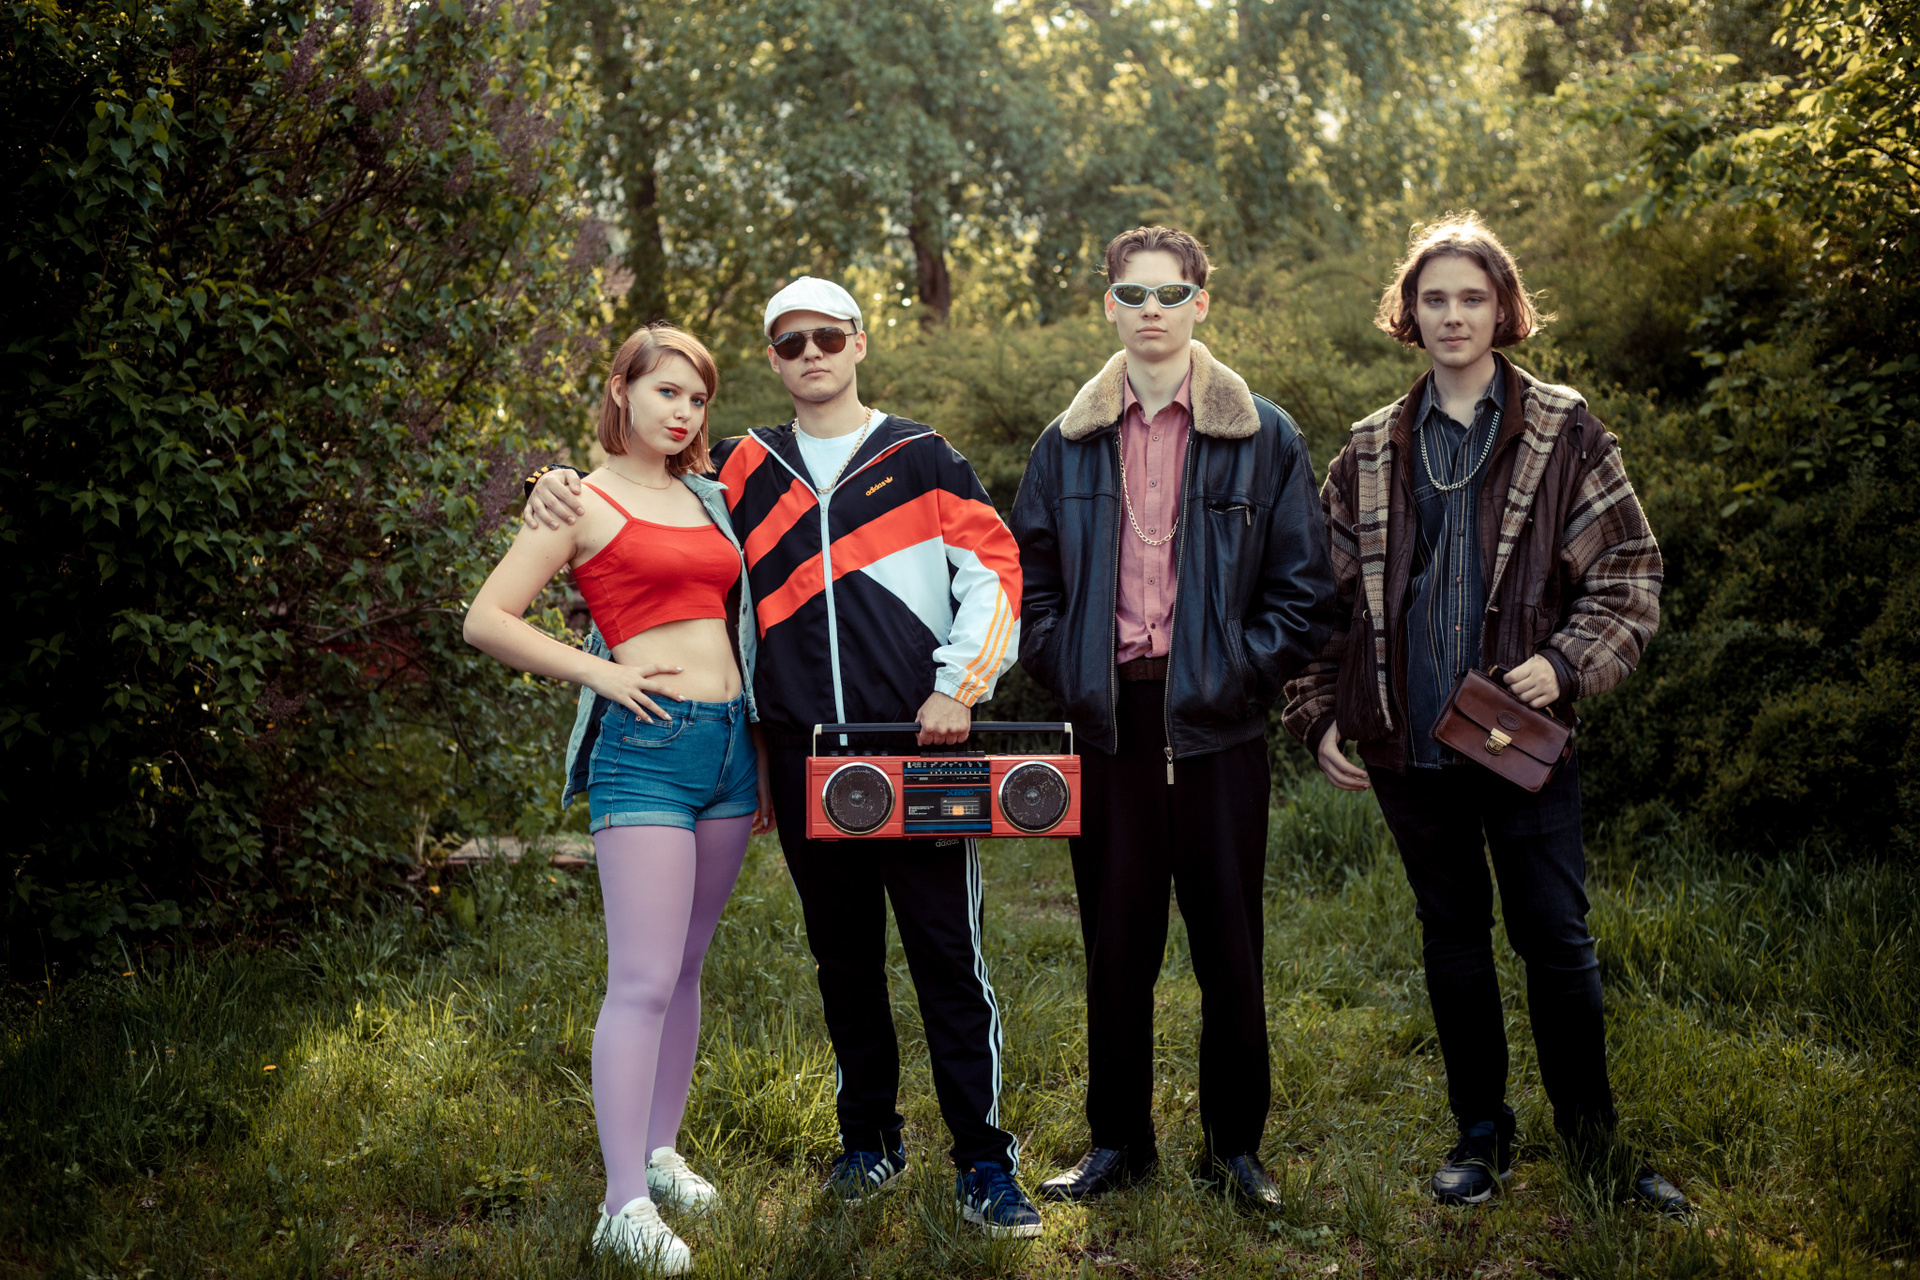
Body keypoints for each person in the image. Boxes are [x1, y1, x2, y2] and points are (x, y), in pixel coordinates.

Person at [523, 278, 1043, 1238]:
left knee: (947, 957)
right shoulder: (741, 469)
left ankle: (984, 1163)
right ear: (772, 358)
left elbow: (1000, 570)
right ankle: (868, 1142)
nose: (811, 354)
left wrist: (959, 687)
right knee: (843, 959)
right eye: (791, 342)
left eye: (827, 338)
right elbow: (640, 495)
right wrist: (551, 480)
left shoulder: (923, 456)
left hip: (922, 744)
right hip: (805, 756)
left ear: (858, 343)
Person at [1281, 213, 1689, 1214]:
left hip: (1518, 737)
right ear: (1409, 314)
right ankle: (1481, 1134)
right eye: (1435, 299)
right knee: (1453, 934)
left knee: (1555, 935)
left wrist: (1564, 662)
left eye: (1472, 297)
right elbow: (1323, 602)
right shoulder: (1369, 449)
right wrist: (1319, 712)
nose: (1454, 315)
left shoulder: (1562, 428)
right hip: (1406, 738)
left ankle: (1592, 1141)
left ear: (1503, 309)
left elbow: (1629, 570)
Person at [1008, 226, 1338, 1208]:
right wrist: (1070, 669)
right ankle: (1119, 1142)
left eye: (1169, 293)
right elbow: (1028, 583)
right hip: (1110, 724)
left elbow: (1305, 592)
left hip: (1217, 725)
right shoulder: (1066, 443)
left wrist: (1233, 673)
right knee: (1116, 945)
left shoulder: (1263, 436)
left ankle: (1235, 1149)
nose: (1150, 310)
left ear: (1202, 302)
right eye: (1131, 293)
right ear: (1107, 305)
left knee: (1230, 945)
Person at [466, 324, 771, 1273]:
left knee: (686, 968)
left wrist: (756, 745)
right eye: (666, 391)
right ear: (621, 392)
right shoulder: (578, 500)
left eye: (697, 398)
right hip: (647, 752)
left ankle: (660, 1153)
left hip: (730, 749)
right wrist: (600, 675)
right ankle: (622, 1203)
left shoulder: (708, 498)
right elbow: (486, 619)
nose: (682, 412)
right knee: (640, 978)